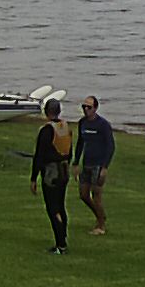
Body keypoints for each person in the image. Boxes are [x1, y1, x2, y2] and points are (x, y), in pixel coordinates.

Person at [29, 99, 74, 254]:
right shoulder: (65, 127)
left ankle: (60, 244)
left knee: (52, 208)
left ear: (46, 112)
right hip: (64, 170)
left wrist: (34, 177)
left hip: (51, 173)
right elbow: (70, 151)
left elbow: (39, 155)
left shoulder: (46, 130)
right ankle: (63, 238)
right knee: (60, 206)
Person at [73, 95, 115, 235]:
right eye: (84, 107)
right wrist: (75, 163)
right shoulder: (82, 123)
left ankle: (101, 226)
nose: (86, 109)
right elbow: (80, 143)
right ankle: (100, 215)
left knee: (96, 195)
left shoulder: (103, 125)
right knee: (83, 195)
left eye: (89, 107)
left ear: (95, 108)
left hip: (98, 164)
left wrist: (105, 167)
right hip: (87, 163)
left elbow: (110, 146)